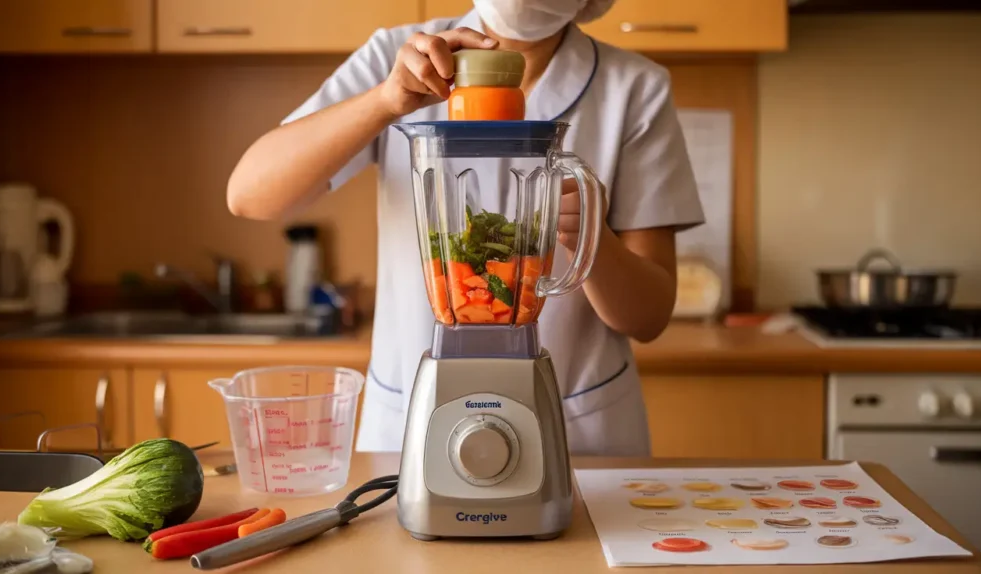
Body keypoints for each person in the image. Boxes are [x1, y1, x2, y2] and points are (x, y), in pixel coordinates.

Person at [227, 0, 705, 456]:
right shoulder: (397, 58)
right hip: (410, 419)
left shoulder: (635, 88)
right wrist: (385, 101)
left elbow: (648, 318)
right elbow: (249, 195)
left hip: (577, 431)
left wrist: (593, 243)